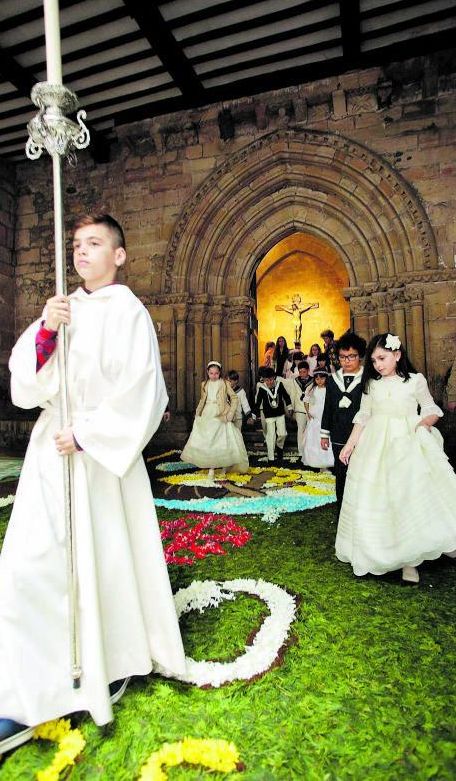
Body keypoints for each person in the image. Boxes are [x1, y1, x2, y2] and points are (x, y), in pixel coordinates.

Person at [0, 214, 186, 754]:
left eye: (94, 243)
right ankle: (22, 687)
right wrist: (47, 331)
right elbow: (26, 388)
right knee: (30, 562)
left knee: (99, 563)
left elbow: (144, 390)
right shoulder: (62, 310)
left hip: (97, 459)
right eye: (76, 245)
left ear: (120, 254)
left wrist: (87, 434)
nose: (81, 253)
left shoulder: (129, 311)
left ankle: (110, 659)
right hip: (48, 454)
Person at [336, 333, 456, 584]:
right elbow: (363, 415)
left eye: (382, 358)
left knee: (407, 496)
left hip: (408, 442)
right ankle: (392, 554)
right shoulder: (372, 384)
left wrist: (424, 424)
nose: (378, 365)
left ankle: (411, 562)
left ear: (397, 355)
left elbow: (431, 408)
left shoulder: (415, 380)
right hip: (376, 445)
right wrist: (350, 444)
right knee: (380, 496)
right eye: (374, 360)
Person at [320, 332, 367, 516]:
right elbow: (328, 408)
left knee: (360, 473)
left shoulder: (367, 379)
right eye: (342, 357)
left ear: (360, 356)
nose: (346, 361)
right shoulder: (333, 380)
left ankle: (360, 509)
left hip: (361, 435)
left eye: (351, 356)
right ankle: (342, 510)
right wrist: (324, 434)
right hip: (338, 435)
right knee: (341, 474)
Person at [181, 361, 249, 480]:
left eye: (216, 373)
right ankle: (211, 468)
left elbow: (234, 398)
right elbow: (203, 400)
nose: (214, 376)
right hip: (208, 412)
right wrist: (198, 412)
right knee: (209, 440)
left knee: (222, 440)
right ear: (207, 372)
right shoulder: (204, 384)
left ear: (220, 373)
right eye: (211, 373)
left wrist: (230, 413)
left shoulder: (224, 383)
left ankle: (223, 467)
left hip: (221, 413)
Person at [254, 367, 292, 465]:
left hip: (280, 414)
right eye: (267, 380)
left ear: (274, 378)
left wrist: (290, 407)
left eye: (271, 379)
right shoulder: (262, 388)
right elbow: (258, 403)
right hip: (269, 416)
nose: (269, 382)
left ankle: (279, 447)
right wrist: (253, 415)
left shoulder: (280, 385)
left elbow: (286, 396)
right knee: (270, 436)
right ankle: (271, 459)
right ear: (264, 380)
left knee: (282, 434)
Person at [302, 370, 334, 470]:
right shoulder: (313, 389)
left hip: (326, 415)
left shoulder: (329, 389)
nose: (319, 381)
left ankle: (328, 460)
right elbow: (306, 401)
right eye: (317, 379)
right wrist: (308, 412)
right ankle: (315, 460)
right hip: (316, 417)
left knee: (326, 438)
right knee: (314, 439)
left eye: (322, 378)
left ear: (326, 378)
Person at [287, 360, 313, 457]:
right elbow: (293, 395)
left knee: (310, 431)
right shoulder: (295, 381)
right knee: (300, 431)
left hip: (310, 410)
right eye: (300, 372)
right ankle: (301, 452)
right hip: (299, 410)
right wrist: (292, 408)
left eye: (304, 372)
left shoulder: (314, 380)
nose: (302, 374)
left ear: (308, 370)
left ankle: (309, 452)